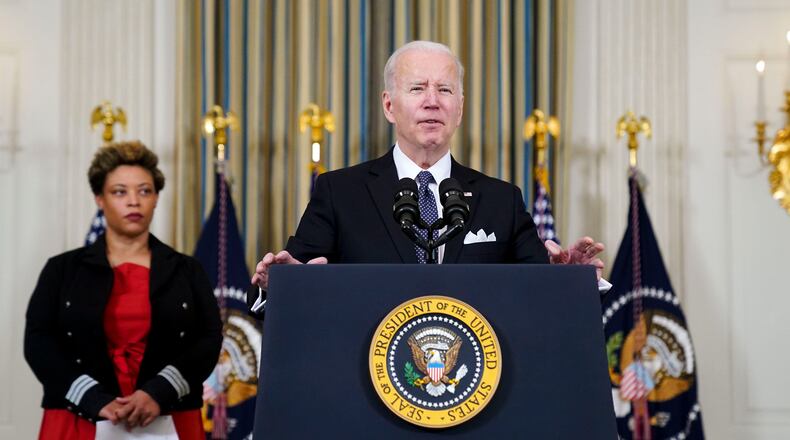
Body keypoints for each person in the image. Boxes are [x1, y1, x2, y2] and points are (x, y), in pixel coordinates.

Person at [247, 40, 605, 313]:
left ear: (460, 109)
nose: (432, 101)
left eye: (445, 90)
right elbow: (283, 290)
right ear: (389, 105)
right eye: (417, 88)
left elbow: (539, 299)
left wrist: (568, 280)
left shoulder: (501, 200)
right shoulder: (341, 192)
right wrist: (279, 283)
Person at [24, 141, 222, 439]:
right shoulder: (62, 270)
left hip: (169, 414)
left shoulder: (186, 270)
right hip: (78, 418)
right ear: (99, 199)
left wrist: (158, 392)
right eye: (119, 192)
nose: (133, 201)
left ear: (156, 198)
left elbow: (208, 340)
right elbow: (38, 343)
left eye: (144, 191)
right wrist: (94, 399)